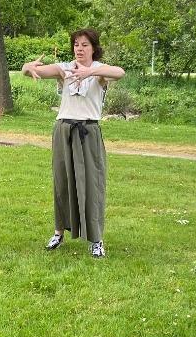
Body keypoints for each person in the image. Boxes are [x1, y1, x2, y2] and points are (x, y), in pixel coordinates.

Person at [21, 28, 125, 258]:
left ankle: (96, 240)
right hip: (63, 129)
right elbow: (31, 71)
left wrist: (89, 73)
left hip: (88, 130)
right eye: (76, 44)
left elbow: (120, 72)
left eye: (85, 44)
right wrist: (27, 67)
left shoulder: (100, 71)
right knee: (63, 181)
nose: (79, 48)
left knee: (92, 184)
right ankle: (59, 233)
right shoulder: (64, 69)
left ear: (93, 48)